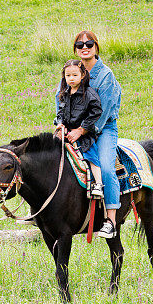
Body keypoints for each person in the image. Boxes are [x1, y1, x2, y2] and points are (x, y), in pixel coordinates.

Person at [56, 30, 121, 239]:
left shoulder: (105, 76)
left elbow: (103, 112)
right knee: (48, 158)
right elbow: (60, 100)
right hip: (72, 128)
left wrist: (81, 131)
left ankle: (111, 219)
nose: (85, 47)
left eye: (89, 44)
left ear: (96, 47)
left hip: (102, 129)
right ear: (75, 49)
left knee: (107, 166)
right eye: (80, 45)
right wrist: (60, 125)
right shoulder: (71, 70)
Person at [54, 59, 105, 198]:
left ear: (82, 75)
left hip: (83, 134)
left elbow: (96, 112)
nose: (71, 78)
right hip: (66, 132)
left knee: (91, 155)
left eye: (75, 75)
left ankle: (99, 184)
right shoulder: (64, 94)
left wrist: (83, 128)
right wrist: (60, 124)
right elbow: (60, 112)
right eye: (68, 75)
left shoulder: (89, 94)